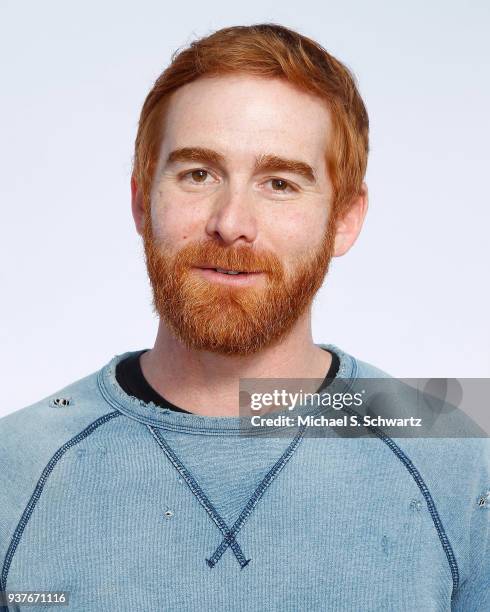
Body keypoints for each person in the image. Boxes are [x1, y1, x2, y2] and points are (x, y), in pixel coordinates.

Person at [0, 23, 488, 612]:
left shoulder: (458, 462)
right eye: (197, 174)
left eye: (279, 183)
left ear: (344, 219)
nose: (231, 222)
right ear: (139, 200)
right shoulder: (16, 465)